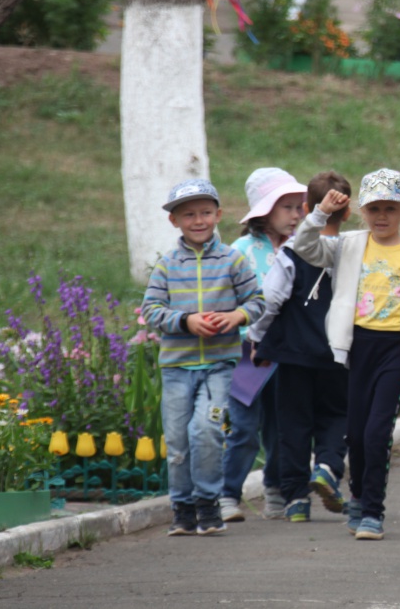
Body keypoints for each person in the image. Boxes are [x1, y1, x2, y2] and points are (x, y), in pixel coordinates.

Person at [291, 168, 400, 541]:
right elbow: (304, 247)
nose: (381, 216)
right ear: (361, 211)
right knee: (354, 434)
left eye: (390, 208)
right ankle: (356, 498)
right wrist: (319, 213)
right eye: (374, 209)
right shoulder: (348, 244)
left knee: (376, 433)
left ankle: (373, 510)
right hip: (357, 349)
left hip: (395, 351)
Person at [140, 178, 265, 537]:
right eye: (189, 214)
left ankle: (209, 503)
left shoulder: (233, 260)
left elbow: (256, 301)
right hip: (177, 368)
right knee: (178, 440)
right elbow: (151, 310)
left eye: (206, 213)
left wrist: (235, 318)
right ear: (174, 221)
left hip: (218, 366)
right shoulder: (166, 265)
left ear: (219, 215)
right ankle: (182, 507)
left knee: (206, 431)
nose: (199, 221)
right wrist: (185, 321)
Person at [247, 171, 353, 522]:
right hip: (338, 352)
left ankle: (295, 499)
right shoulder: (354, 252)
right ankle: (326, 465)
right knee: (336, 415)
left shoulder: (293, 251)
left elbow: (272, 299)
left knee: (293, 423)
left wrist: (257, 337)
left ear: (308, 208)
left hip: (293, 353)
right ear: (348, 212)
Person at [221, 167, 308, 523]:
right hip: (247, 355)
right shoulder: (239, 251)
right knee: (243, 427)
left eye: (298, 206)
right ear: (263, 212)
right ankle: (228, 493)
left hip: (287, 354)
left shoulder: (303, 247)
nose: (296, 214)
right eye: (286, 207)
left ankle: (275, 489)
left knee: (281, 428)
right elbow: (228, 300)